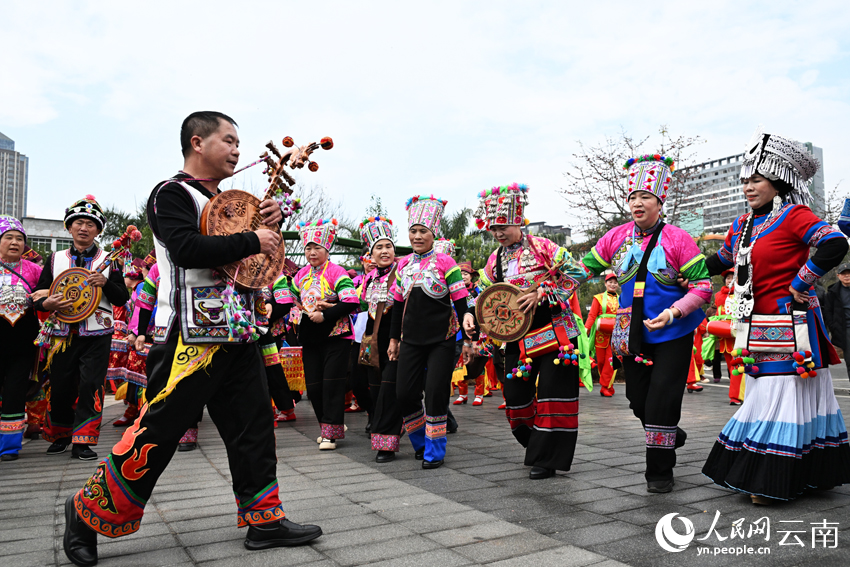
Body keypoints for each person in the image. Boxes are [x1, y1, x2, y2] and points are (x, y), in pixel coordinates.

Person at [62, 111, 321, 566]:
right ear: (197, 143)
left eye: (240, 142)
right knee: (159, 432)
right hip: (189, 337)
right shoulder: (171, 194)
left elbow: (250, 265)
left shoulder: (230, 200)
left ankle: (264, 520)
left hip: (239, 332)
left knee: (253, 425)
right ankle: (84, 514)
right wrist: (252, 238)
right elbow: (184, 250)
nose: (238, 149)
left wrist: (269, 229)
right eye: (229, 140)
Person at [702, 127, 850, 504]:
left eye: (755, 180)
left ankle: (772, 478)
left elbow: (835, 243)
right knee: (764, 391)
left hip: (791, 322)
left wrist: (803, 281)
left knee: (783, 391)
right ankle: (803, 474)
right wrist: (675, 270)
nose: (747, 188)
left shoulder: (795, 215)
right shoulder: (743, 224)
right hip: (754, 324)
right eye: (744, 181)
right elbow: (719, 261)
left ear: (777, 182)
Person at [581, 155, 712, 493]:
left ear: (659, 202)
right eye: (632, 197)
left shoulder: (679, 239)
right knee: (638, 400)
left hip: (673, 330)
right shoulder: (615, 238)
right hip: (631, 332)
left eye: (646, 197)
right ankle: (671, 436)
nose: (637, 203)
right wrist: (545, 281)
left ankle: (659, 472)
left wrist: (674, 312)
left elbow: (702, 287)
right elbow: (582, 269)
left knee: (662, 401)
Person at [470, 183, 589, 480]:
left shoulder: (544, 247)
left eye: (504, 226)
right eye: (493, 228)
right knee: (516, 398)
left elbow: (578, 272)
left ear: (519, 221)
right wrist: (471, 315)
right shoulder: (494, 260)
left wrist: (541, 291)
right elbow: (483, 294)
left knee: (553, 395)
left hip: (555, 333)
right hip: (516, 337)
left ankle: (547, 458)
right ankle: (536, 444)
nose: (498, 232)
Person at [34, 196, 131, 461]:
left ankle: (84, 440)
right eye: (78, 222)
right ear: (69, 227)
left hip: (97, 332)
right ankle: (62, 435)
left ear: (98, 230)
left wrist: (105, 283)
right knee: (62, 384)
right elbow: (38, 294)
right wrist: (47, 301)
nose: (83, 227)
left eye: (90, 223)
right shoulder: (54, 260)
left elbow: (122, 297)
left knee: (91, 385)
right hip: (62, 332)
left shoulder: (110, 261)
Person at [389, 195, 471, 469]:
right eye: (413, 231)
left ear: (433, 234)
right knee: (404, 394)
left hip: (442, 339)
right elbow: (397, 305)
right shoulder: (402, 266)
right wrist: (394, 339)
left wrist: (469, 332)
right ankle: (421, 443)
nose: (417, 236)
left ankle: (435, 450)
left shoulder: (447, 263)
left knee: (435, 393)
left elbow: (461, 302)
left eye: (423, 231)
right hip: (410, 340)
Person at [277, 218, 359, 450]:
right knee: (313, 387)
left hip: (337, 334)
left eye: (317, 248)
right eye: (308, 248)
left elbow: (351, 300)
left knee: (332, 384)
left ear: (326, 249)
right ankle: (329, 426)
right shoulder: (300, 275)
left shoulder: (337, 272)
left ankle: (330, 434)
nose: (312, 252)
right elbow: (291, 299)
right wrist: (296, 311)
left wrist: (325, 314)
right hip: (311, 336)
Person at [356, 215, 403, 462]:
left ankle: (386, 442)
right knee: (374, 389)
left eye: (388, 246)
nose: (384, 251)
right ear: (370, 254)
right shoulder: (370, 277)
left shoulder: (404, 270)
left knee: (389, 389)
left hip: (396, 336)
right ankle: (389, 429)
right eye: (378, 248)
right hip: (373, 337)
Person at [0, 216, 43, 461]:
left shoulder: (34, 270)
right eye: (9, 237)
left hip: (23, 342)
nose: (15, 242)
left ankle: (9, 446)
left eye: (20, 239)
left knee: (16, 391)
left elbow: (49, 292)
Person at [585, 273, 620, 397]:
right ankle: (608, 385)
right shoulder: (598, 298)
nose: (612, 284)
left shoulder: (621, 299)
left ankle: (605, 386)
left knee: (611, 360)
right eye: (610, 282)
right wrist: (586, 330)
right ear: (605, 284)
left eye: (615, 282)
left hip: (615, 334)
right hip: (600, 332)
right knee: (600, 361)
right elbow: (592, 316)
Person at [823, 262, 850, 374]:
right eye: (843, 274)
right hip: (845, 330)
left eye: (849, 273)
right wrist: (833, 327)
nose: (847, 276)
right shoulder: (833, 292)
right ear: (838, 276)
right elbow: (828, 311)